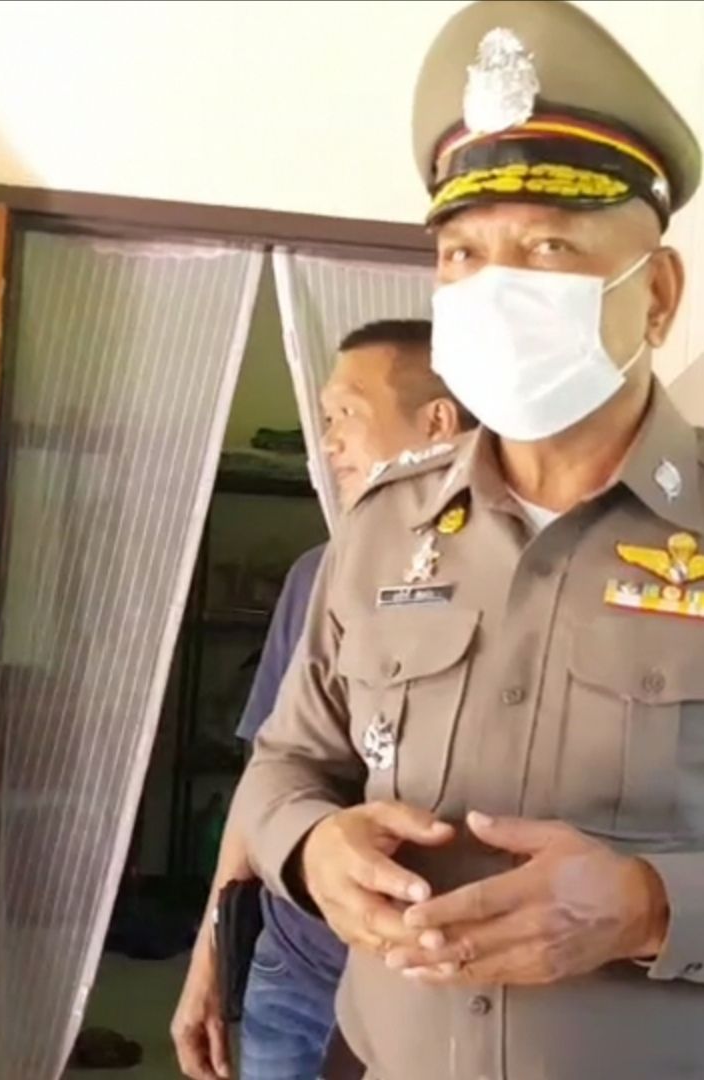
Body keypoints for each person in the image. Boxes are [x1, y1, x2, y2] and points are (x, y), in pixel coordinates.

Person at [232, 2, 704, 1077]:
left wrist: (649, 906)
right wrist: (309, 845)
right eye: (461, 253)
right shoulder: (384, 525)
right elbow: (286, 763)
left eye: (548, 246)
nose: (495, 287)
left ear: (656, 294)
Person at [172, 318, 473, 1080]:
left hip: (445, 982)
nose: (328, 443)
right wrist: (208, 963)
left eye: (347, 415)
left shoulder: (529, 577)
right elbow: (272, 774)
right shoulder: (322, 572)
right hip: (299, 970)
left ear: (438, 422)